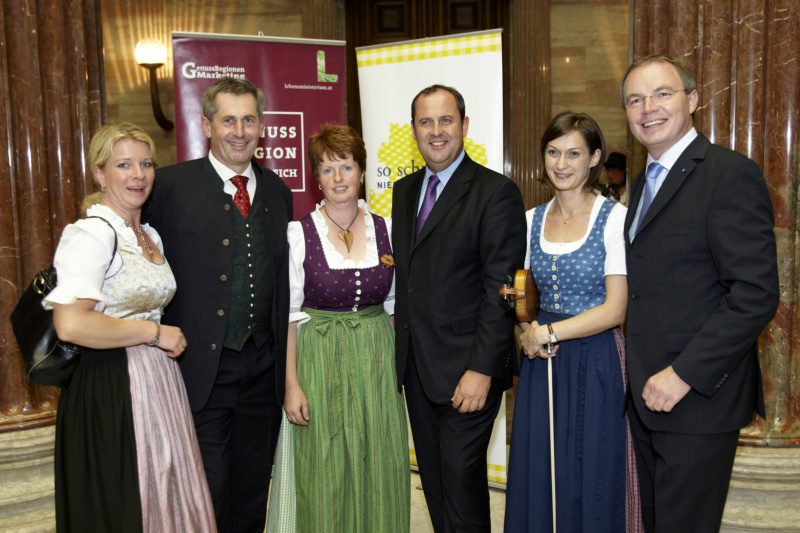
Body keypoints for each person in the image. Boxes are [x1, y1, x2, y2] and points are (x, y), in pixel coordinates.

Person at [621, 55, 779, 532]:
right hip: (647, 395)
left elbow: (754, 293)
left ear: (692, 100)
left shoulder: (728, 174)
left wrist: (683, 374)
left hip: (697, 398)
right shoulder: (641, 183)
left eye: (661, 94)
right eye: (634, 99)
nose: (648, 108)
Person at [46, 122, 216, 532]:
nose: (138, 175)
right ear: (100, 174)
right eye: (124, 165)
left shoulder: (148, 233)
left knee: (165, 493)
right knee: (124, 499)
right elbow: (70, 323)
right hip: (110, 388)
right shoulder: (92, 233)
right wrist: (153, 334)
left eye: (146, 164)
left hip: (156, 382)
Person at [144, 77, 293, 533]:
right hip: (199, 371)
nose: (239, 130)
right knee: (206, 491)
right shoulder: (167, 187)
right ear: (207, 124)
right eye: (228, 119)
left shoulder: (279, 191)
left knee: (251, 492)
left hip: (262, 371)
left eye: (249, 119)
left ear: (262, 126)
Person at [392, 84, 526, 532]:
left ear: (464, 125)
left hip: (468, 371)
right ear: (413, 129)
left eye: (445, 120)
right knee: (433, 484)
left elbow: (499, 290)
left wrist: (482, 370)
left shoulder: (495, 192)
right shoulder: (404, 191)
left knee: (462, 484)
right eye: (425, 122)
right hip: (417, 367)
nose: (436, 131)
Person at [504, 111, 641, 532]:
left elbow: (616, 308)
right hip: (541, 360)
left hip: (596, 358)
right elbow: (523, 299)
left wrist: (549, 331)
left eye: (574, 153)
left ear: (595, 158)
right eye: (553, 152)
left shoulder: (614, 218)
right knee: (542, 470)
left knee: (592, 468)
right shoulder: (529, 220)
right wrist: (524, 329)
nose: (561, 164)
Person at [270, 123, 409, 532]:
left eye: (346, 167)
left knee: (380, 457)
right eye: (327, 170)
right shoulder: (299, 233)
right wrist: (290, 385)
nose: (338, 179)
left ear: (361, 171)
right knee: (325, 464)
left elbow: (396, 306)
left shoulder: (385, 228)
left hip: (376, 358)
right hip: (320, 357)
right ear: (317, 178)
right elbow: (291, 315)